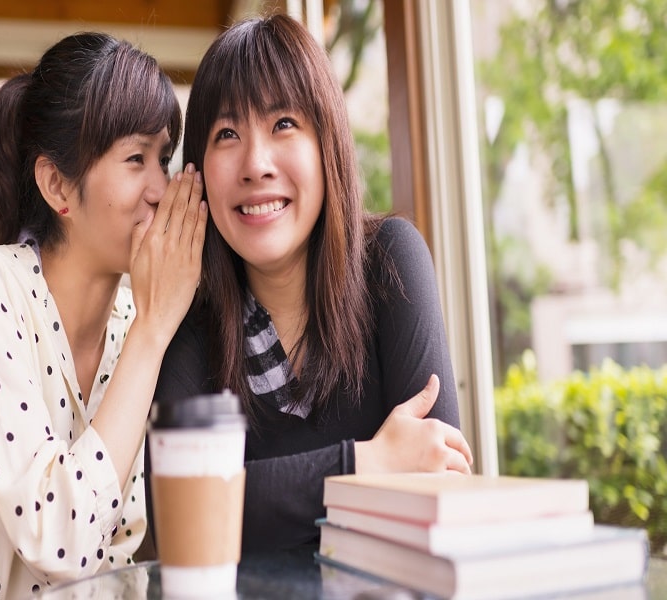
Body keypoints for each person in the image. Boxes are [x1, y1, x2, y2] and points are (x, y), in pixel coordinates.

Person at [0, 31, 206, 597]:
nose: (160, 188)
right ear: (56, 185)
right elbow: (62, 541)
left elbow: (115, 559)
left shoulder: (133, 319)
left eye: (163, 158)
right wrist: (153, 332)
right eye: (134, 159)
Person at [152, 13, 473, 553]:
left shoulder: (390, 262)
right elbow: (178, 520)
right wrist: (366, 463)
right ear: (198, 172)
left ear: (328, 144)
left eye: (283, 124)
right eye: (227, 134)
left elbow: (442, 476)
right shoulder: (192, 316)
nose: (256, 165)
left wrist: (249, 495)